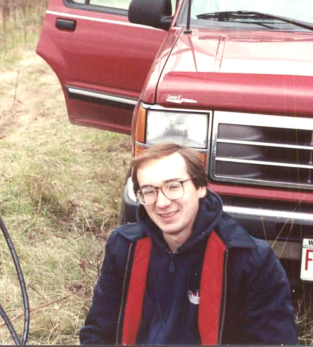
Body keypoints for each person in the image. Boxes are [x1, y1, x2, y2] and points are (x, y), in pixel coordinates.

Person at [79, 143, 298, 345]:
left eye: (173, 186)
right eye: (149, 191)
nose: (162, 203)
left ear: (200, 187)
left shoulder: (249, 259)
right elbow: (97, 333)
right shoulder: (124, 247)